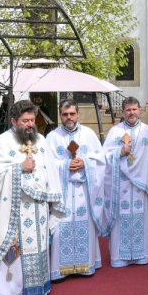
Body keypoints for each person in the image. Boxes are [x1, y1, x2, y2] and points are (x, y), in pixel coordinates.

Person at [0, 100, 64, 295]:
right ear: (13, 120)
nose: (30, 124)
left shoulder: (40, 140)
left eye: (32, 120)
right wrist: (19, 167)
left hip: (38, 208)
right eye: (25, 120)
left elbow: (50, 169)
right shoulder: (2, 143)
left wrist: (52, 199)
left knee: (39, 246)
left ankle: (38, 287)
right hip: (14, 209)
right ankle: (11, 291)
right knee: (16, 249)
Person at [44, 99, 108, 277]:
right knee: (60, 230)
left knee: (84, 227)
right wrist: (65, 165)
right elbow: (47, 165)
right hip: (63, 194)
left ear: (78, 114)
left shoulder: (88, 134)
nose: (69, 117)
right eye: (65, 114)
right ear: (60, 115)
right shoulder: (52, 137)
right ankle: (60, 270)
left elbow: (101, 160)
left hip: (84, 193)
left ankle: (85, 265)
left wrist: (85, 163)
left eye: (72, 113)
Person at [102, 96, 148, 266]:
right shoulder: (115, 132)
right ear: (123, 112)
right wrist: (119, 152)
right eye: (128, 110)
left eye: (134, 109)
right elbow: (104, 157)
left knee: (140, 217)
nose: (131, 113)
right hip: (120, 185)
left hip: (141, 186)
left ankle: (142, 254)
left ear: (140, 110)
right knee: (121, 218)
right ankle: (119, 256)